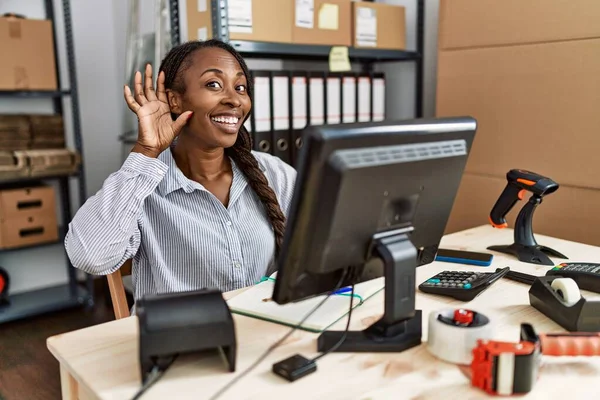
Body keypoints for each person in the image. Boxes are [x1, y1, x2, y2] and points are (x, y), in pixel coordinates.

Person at [64, 39, 296, 304]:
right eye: (213, 84)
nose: (234, 99)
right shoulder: (142, 188)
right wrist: (145, 150)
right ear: (175, 100)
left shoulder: (274, 173)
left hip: (263, 335)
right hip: (181, 342)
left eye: (240, 87)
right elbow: (90, 257)